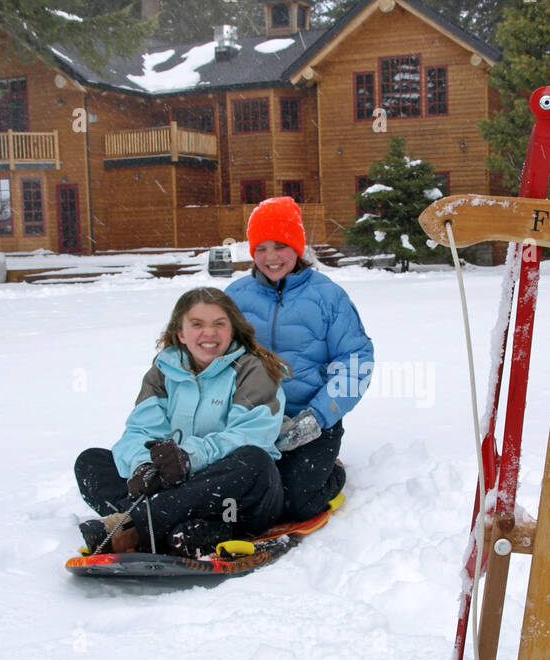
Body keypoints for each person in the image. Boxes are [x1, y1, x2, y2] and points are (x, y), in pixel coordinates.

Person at [74, 288, 288, 557]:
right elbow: (141, 430)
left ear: (232, 331)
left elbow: (251, 435)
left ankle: (137, 526)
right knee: (91, 462)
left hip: (233, 501)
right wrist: (143, 466)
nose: (208, 333)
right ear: (181, 334)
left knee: (254, 461)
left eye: (219, 324)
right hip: (175, 489)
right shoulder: (163, 372)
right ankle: (187, 532)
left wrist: (189, 458)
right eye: (197, 324)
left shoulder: (252, 370)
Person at [227, 197, 374, 521]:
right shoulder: (235, 297)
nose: (270, 257)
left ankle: (333, 474)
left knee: (296, 504)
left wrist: (319, 416)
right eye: (260, 248)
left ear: (297, 246)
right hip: (252, 422)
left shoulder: (328, 296)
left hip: (312, 421)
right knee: (244, 497)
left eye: (280, 245)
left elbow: (356, 359)